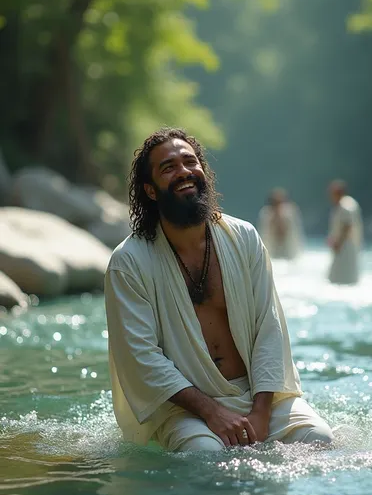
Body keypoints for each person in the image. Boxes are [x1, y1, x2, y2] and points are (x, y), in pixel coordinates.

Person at [104, 127, 333, 452]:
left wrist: (261, 412)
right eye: (168, 167)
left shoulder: (244, 237)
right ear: (150, 190)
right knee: (206, 457)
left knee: (319, 441)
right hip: (184, 407)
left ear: (203, 171)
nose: (183, 171)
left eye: (189, 161)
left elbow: (269, 329)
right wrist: (212, 412)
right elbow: (141, 357)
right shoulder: (129, 262)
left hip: (257, 393)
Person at [327, 180, 363, 285]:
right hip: (346, 245)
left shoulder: (345, 205)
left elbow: (347, 225)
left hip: (345, 246)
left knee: (343, 275)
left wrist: (338, 243)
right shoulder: (348, 203)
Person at [258, 188, 304, 260]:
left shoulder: (290, 213)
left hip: (290, 254)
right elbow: (264, 236)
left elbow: (294, 233)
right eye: (275, 203)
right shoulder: (266, 214)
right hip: (272, 254)